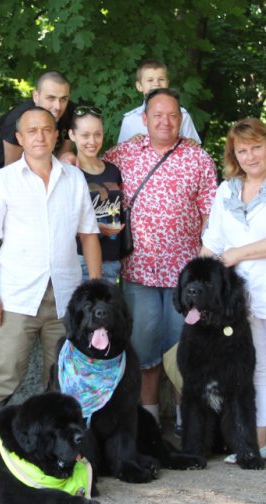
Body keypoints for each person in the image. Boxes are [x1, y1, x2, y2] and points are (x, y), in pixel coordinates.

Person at [0, 106, 101, 418]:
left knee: (66, 379)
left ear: (57, 135)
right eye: (32, 131)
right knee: (0, 377)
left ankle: (60, 442)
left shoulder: (74, 178)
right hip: (16, 297)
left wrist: (96, 292)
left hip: (66, 297)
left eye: (46, 129)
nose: (40, 137)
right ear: (19, 137)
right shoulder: (2, 181)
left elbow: (89, 236)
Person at [103, 88, 217, 429]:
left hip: (186, 277)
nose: (165, 122)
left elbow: (212, 215)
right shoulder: (122, 155)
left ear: (181, 119)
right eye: (158, 115)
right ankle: (149, 422)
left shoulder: (198, 158)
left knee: (186, 352)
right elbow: (90, 168)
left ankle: (187, 423)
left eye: (172, 115)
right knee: (144, 353)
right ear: (144, 119)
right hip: (138, 272)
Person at [201, 118, 266, 467]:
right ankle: (256, 441)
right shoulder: (226, 191)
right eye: (242, 150)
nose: (250, 156)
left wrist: (238, 254)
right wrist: (197, 287)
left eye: (256, 148)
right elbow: (211, 245)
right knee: (255, 368)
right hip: (240, 299)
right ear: (234, 155)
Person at [0, 71, 76, 178]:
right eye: (51, 98)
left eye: (63, 99)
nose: (58, 106)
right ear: (36, 96)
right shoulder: (17, 120)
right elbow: (12, 171)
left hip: (42, 172)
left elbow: (62, 157)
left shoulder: (70, 111)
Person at [67, 105, 124, 284]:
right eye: (85, 135)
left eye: (97, 134)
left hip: (112, 260)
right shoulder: (68, 173)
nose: (92, 141)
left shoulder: (113, 170)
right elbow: (61, 222)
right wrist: (96, 227)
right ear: (72, 135)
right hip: (81, 261)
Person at [117, 59, 201, 144]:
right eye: (150, 80)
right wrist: (130, 142)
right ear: (139, 86)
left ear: (167, 83)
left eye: (161, 79)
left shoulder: (181, 115)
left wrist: (191, 142)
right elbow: (120, 150)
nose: (156, 84)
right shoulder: (130, 120)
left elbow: (194, 147)